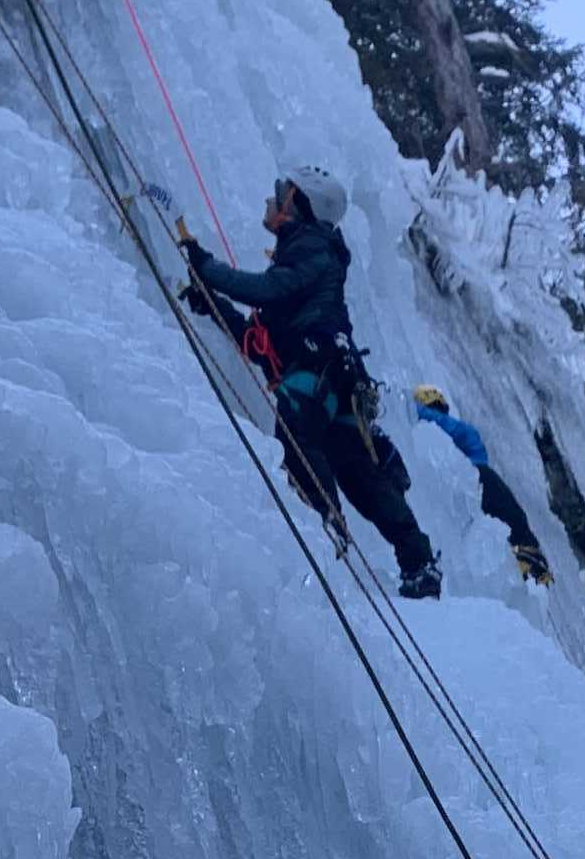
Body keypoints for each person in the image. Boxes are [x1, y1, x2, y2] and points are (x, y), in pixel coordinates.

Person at [183, 161, 441, 599]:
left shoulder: (312, 248)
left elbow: (262, 292)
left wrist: (205, 266)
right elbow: (258, 343)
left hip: (316, 374)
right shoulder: (303, 259)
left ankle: (325, 529)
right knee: (359, 475)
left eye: (281, 192)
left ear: (298, 205)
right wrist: (212, 305)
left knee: (297, 435)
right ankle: (417, 562)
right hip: (334, 380)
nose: (271, 199)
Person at [409, 385, 555, 584]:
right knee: (508, 513)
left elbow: (445, 425)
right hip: (475, 479)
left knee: (508, 514)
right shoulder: (449, 428)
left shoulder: (447, 425)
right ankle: (527, 555)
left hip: (476, 476)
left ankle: (527, 555)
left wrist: (407, 407)